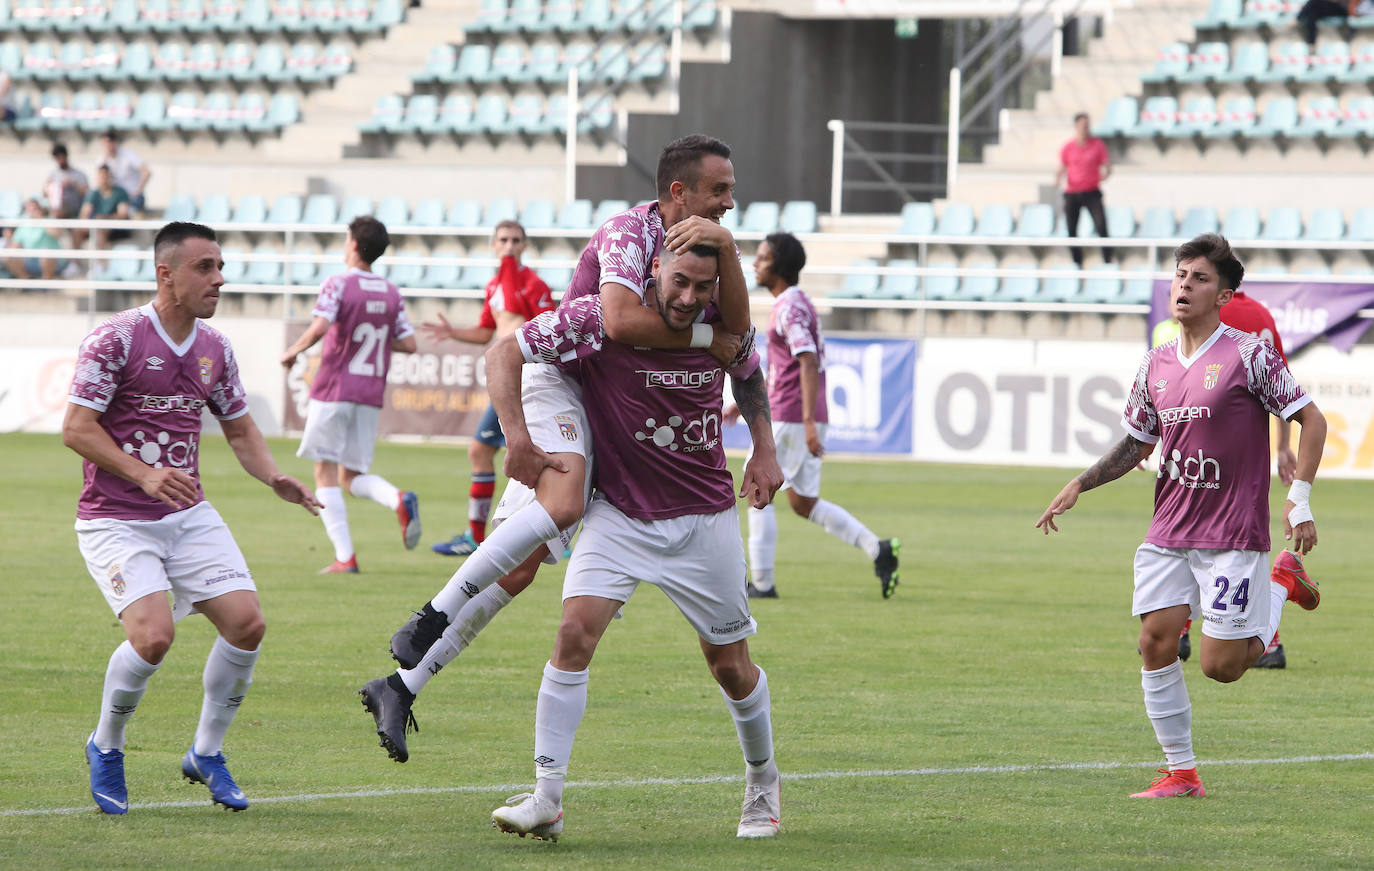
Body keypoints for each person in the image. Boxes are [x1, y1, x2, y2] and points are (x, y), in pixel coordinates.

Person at [357, 134, 749, 765]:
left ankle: (401, 685)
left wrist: (722, 306)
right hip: (559, 378)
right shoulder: (630, 233)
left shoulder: (707, 249)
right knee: (562, 501)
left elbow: (741, 335)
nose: (731, 201)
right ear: (681, 191)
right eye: (721, 190)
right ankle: (430, 616)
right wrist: (708, 337)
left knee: (516, 566)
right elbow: (620, 323)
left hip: (598, 402)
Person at [487, 242, 784, 840]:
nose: (690, 298)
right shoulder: (601, 321)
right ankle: (546, 796)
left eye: (704, 287)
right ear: (652, 270)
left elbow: (750, 379)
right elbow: (507, 352)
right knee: (573, 634)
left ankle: (762, 780)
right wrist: (518, 435)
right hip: (619, 513)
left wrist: (765, 448)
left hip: (703, 518)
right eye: (680, 282)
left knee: (728, 665)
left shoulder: (724, 327)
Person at [1036, 232, 1327, 798]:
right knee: (1154, 640)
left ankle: (1280, 583)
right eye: (1180, 275)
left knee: (1222, 666)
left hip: (1231, 532)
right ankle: (1182, 773)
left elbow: (1312, 421)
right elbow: (1136, 442)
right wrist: (1081, 483)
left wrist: (1300, 500)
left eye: (1200, 278)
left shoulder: (1248, 354)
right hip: (1170, 526)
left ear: (1224, 295)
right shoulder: (1156, 361)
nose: (1185, 286)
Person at [64, 222, 320, 815]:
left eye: (220, 266)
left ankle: (206, 752)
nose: (219, 278)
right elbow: (76, 429)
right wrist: (143, 473)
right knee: (154, 637)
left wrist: (272, 475)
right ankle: (106, 744)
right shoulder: (116, 339)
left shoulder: (215, 348)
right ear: (166, 274)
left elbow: (238, 425)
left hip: (187, 513)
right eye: (204, 267)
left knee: (247, 624)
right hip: (115, 517)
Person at [726, 232, 899, 599]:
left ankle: (764, 583)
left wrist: (805, 422)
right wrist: (738, 404)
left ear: (780, 267)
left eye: (763, 258)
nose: (755, 264)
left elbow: (807, 360)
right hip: (798, 410)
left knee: (758, 489)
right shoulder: (796, 302)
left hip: (792, 414)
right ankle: (878, 549)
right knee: (803, 502)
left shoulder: (788, 307)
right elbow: (790, 363)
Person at [280, 216, 420, 574]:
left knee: (325, 471)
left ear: (354, 245)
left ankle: (346, 557)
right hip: (369, 392)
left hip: (334, 388)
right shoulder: (391, 292)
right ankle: (397, 499)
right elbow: (408, 343)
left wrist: (294, 350)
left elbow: (322, 324)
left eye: (346, 240)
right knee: (352, 475)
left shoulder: (337, 283)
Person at [426, 219, 554, 557]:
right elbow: (487, 331)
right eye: (503, 240)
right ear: (493, 245)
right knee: (484, 453)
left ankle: (540, 534)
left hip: (527, 379)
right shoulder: (496, 283)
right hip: (506, 380)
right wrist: (453, 332)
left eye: (515, 240)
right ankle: (480, 536)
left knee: (528, 455)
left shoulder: (532, 284)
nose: (509, 245)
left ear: (525, 246)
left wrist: (509, 266)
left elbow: (539, 324)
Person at [1056, 112, 1113, 269]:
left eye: (1087, 125)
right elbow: (1062, 166)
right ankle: (1077, 261)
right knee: (1071, 229)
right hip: (1073, 192)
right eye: (1083, 125)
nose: (1085, 129)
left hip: (1091, 192)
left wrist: (1105, 174)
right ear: (1076, 127)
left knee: (1101, 226)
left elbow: (1107, 165)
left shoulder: (1097, 145)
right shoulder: (1068, 147)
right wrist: (1057, 179)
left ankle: (1107, 260)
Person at [70, 164, 131, 264]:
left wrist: (105, 219)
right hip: (97, 225)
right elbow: (84, 213)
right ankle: (74, 264)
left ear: (110, 176)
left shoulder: (120, 192)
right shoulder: (93, 193)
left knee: (100, 229)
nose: (103, 178)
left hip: (116, 228)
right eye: (101, 176)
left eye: (105, 175)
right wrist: (89, 221)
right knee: (77, 231)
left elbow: (122, 214)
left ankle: (100, 264)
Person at [2, 196, 63, 281]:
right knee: (8, 256)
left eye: (35, 208)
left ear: (40, 209)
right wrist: (8, 239)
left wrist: (40, 220)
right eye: (30, 208)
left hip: (51, 261)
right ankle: (26, 282)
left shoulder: (49, 220)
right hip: (30, 260)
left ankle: (46, 283)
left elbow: (57, 233)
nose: (32, 210)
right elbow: (14, 246)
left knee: (46, 252)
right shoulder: (24, 225)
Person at [99, 130, 151, 213]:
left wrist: (138, 191)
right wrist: (105, 162)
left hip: (132, 196)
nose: (108, 146)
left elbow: (146, 172)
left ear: (115, 142)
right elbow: (100, 179)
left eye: (109, 142)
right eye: (105, 143)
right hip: (115, 197)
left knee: (128, 212)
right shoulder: (102, 159)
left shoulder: (128, 154)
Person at [1296, 1, 1373, 46]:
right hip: (1343, 8)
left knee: (1313, 5)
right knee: (1312, 10)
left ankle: (1311, 42)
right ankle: (1311, 42)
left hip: (1347, 9)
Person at [45, 143, 89, 220]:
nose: (58, 161)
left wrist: (73, 184)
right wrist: (49, 187)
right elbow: (45, 193)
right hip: (56, 207)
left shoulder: (79, 174)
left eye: (59, 157)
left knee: (57, 213)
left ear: (65, 156)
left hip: (73, 208)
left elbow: (88, 193)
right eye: (56, 158)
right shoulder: (53, 174)